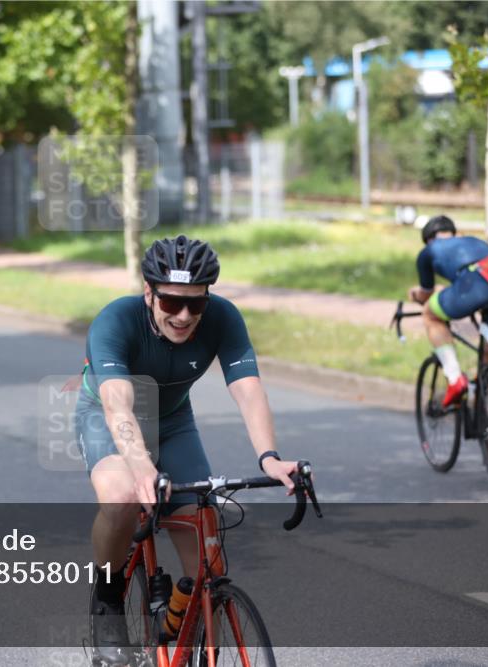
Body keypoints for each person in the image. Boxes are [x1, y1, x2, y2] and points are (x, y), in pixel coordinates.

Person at [74, 235, 299, 664]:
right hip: (108, 417)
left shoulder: (223, 318)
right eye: (171, 302)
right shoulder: (115, 321)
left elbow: (249, 390)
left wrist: (269, 457)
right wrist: (140, 466)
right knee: (121, 496)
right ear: (149, 293)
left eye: (195, 304)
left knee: (207, 562)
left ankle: (174, 626)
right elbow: (117, 402)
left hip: (173, 422)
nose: (183, 316)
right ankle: (107, 598)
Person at [407, 215, 488, 458]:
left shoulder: (428, 252)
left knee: (431, 315)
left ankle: (454, 377)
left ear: (428, 239)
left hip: (471, 287)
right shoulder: (474, 241)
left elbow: (427, 295)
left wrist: (416, 295)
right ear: (453, 232)